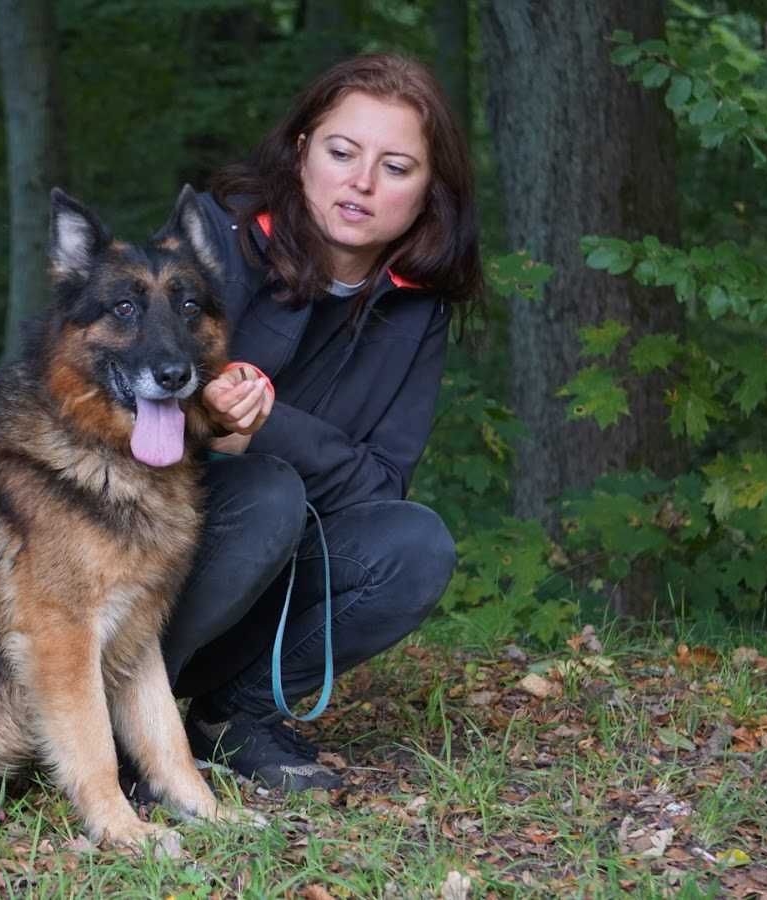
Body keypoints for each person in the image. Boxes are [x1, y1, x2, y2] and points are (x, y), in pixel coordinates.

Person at [157, 54, 483, 792]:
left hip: (263, 577)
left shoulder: (419, 305)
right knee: (267, 494)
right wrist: (202, 420)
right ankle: (122, 723)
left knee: (415, 547)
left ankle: (230, 714)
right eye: (342, 153)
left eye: (396, 167)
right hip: (137, 558)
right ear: (303, 150)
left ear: (429, 189)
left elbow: (381, 489)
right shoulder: (212, 239)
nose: (361, 183)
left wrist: (261, 429)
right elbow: (98, 416)